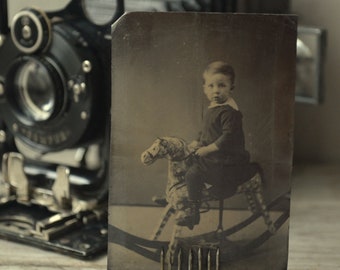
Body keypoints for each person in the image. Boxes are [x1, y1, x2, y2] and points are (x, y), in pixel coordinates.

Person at [176, 61, 253, 228]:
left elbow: (228, 137)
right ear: (204, 88)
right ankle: (177, 197)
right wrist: (197, 142)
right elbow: (206, 131)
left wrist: (206, 149)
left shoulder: (229, 112)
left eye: (222, 85)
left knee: (192, 174)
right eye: (210, 86)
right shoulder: (213, 108)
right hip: (213, 156)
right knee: (184, 162)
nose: (216, 90)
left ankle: (193, 212)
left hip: (225, 160)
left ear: (231, 87)